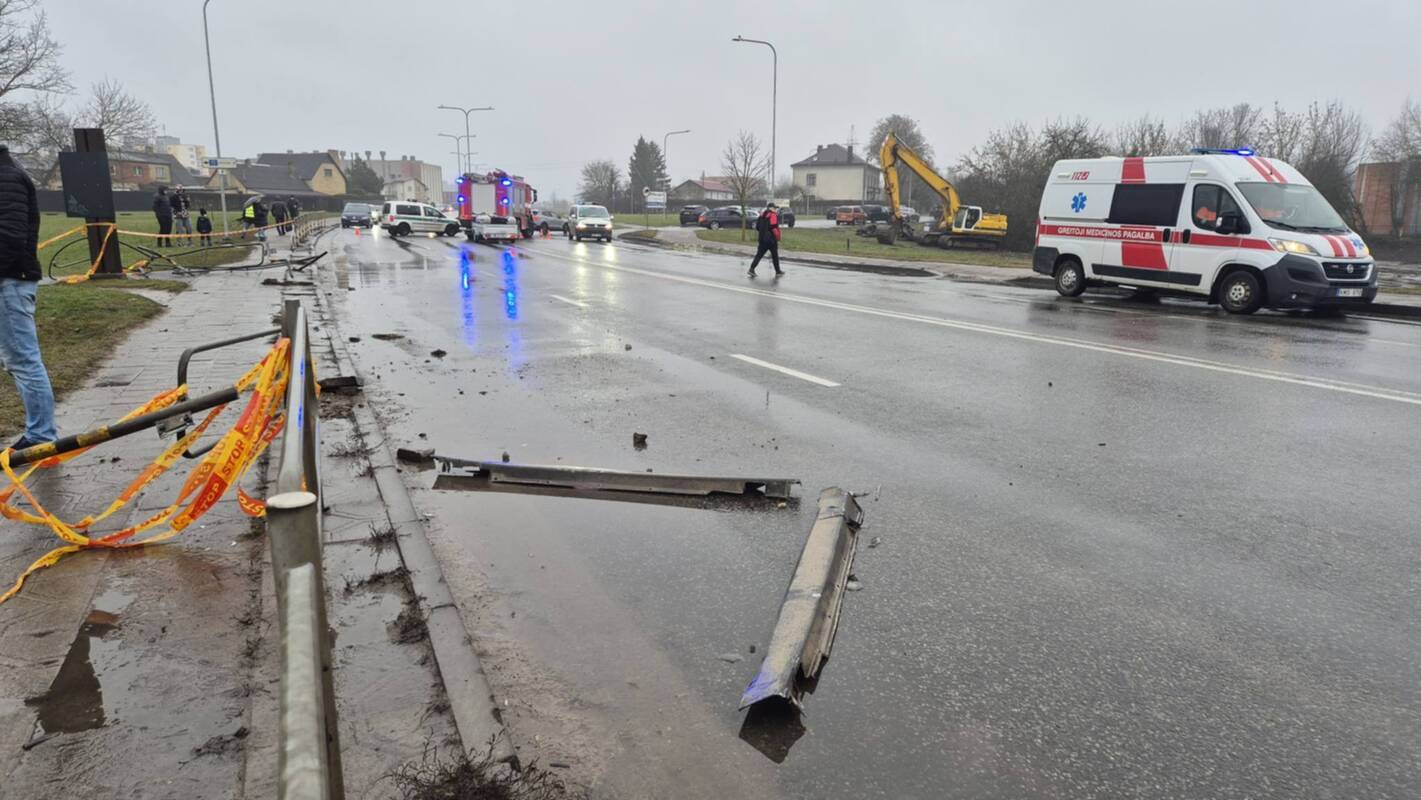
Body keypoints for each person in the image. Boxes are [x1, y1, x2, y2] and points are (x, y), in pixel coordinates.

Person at [0, 145, 57, 449]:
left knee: (23, 361)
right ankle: (41, 433)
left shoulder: (6, 176)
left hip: (9, 283)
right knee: (16, 360)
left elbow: (9, 235)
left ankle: (41, 437)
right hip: (10, 281)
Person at [749, 202, 783, 277]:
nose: (775, 210)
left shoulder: (761, 215)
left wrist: (763, 232)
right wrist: (777, 237)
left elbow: (757, 227)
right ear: (770, 208)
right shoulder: (773, 215)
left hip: (762, 239)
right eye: (774, 208)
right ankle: (778, 271)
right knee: (775, 255)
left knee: (759, 255)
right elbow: (773, 227)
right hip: (771, 240)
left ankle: (751, 269)